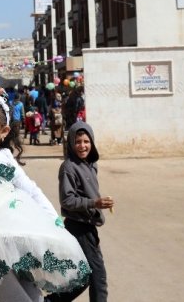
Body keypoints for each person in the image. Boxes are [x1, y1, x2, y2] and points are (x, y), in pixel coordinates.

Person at [0, 73, 90, 302]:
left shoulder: (6, 158)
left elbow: (31, 190)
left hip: (13, 238)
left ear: (4, 131)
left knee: (32, 294)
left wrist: (54, 223)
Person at [53, 121, 114, 302]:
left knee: (81, 278)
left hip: (88, 226)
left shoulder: (90, 164)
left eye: (86, 141)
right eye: (78, 142)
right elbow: (67, 200)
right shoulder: (69, 167)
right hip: (78, 227)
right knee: (98, 277)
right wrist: (94, 203)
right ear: (71, 143)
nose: (82, 146)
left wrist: (99, 204)